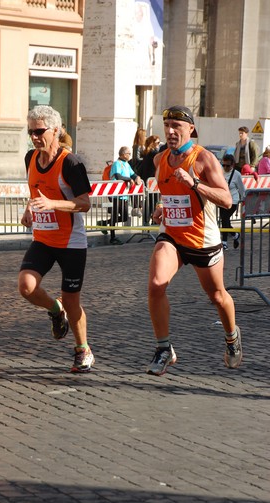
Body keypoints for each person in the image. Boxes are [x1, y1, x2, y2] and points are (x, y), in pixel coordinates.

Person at [147, 105, 242, 376]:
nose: (171, 130)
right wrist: (163, 208)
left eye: (177, 125)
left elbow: (226, 199)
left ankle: (232, 337)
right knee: (156, 284)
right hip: (173, 236)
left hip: (203, 240)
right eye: (167, 125)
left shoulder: (204, 160)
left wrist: (195, 184)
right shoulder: (160, 160)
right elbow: (171, 194)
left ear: (191, 129)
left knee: (217, 296)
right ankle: (163, 348)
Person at [18, 105, 94, 373]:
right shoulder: (30, 158)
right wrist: (29, 209)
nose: (35, 137)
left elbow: (85, 203)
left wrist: (54, 203)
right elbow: (35, 191)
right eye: (31, 132)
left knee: (73, 300)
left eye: (39, 131)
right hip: (43, 239)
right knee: (26, 286)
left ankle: (82, 349)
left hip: (71, 242)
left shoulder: (70, 163)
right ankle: (54, 309)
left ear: (56, 130)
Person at [97, 146, 140, 245]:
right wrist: (128, 179)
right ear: (123, 154)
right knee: (115, 215)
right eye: (129, 153)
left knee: (124, 217)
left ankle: (104, 223)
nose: (130, 155)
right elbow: (117, 176)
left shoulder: (126, 164)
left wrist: (136, 177)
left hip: (124, 194)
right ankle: (113, 237)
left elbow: (132, 174)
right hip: (116, 194)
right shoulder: (117, 164)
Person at [220, 154, 246, 250]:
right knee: (225, 221)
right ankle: (235, 235)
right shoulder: (220, 172)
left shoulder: (237, 174)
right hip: (222, 200)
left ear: (233, 165)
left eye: (228, 165)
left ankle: (224, 242)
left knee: (225, 219)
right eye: (224, 165)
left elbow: (242, 189)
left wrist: (244, 201)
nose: (225, 167)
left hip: (233, 201)